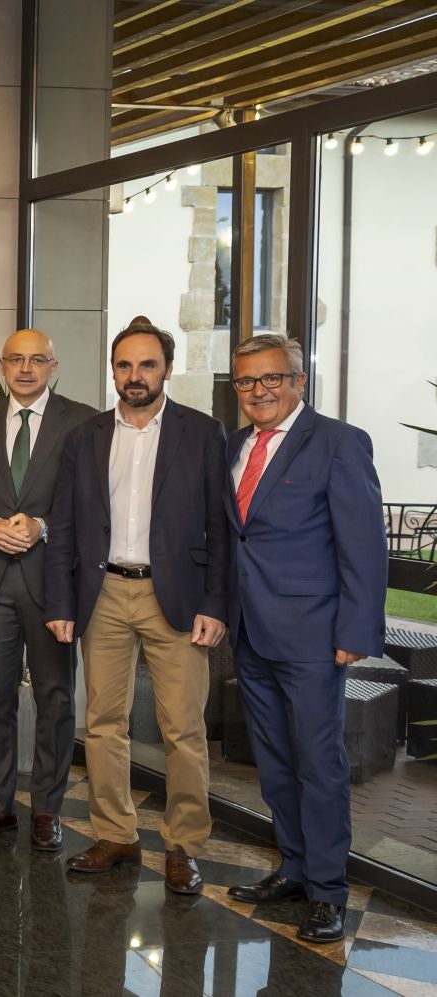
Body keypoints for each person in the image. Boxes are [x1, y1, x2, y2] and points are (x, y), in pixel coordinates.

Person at [44, 321, 228, 894]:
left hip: (175, 596)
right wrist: (61, 600)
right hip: (102, 596)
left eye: (147, 365)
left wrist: (215, 602)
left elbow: (221, 529)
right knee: (102, 724)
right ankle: (116, 834)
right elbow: (66, 526)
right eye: (124, 366)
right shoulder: (87, 436)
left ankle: (184, 845)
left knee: (183, 729)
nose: (135, 376)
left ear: (167, 369)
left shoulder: (202, 433)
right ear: (113, 371)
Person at [221, 334, 386, 945]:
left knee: (319, 765)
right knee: (275, 763)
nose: (259, 391)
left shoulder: (339, 442)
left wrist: (355, 630)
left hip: (315, 635)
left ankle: (327, 891)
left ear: (298, 381)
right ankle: (292, 868)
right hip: (251, 633)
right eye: (246, 382)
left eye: (272, 379)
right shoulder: (237, 445)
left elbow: (364, 545)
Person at [0, 328, 95, 849]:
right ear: (2, 366)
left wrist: (42, 525)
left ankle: (47, 810)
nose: (25, 369)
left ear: (54, 367)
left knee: (55, 698)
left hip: (51, 583)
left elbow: (91, 499)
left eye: (37, 360)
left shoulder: (81, 421)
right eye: (15, 360)